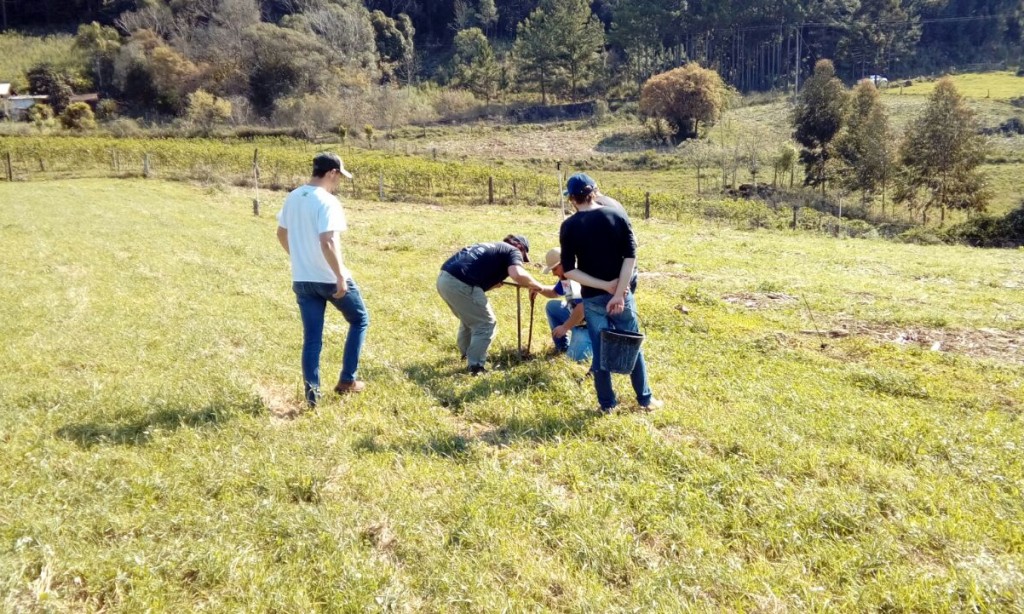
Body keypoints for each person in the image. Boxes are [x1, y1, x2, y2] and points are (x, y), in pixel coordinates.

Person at [559, 172, 663, 414]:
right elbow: (631, 256)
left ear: (572, 199)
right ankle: (645, 400)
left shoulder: (569, 226)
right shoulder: (616, 215)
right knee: (632, 343)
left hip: (593, 297)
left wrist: (603, 286)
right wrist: (618, 292)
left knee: (601, 348)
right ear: (595, 192)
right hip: (622, 294)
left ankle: (607, 405)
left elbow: (569, 271)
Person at [276, 152, 370, 407]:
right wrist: (340, 276)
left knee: (312, 338)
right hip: (328, 278)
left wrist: (299, 257)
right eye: (339, 176)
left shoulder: (293, 196)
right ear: (331, 173)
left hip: (302, 279)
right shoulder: (327, 201)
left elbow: (281, 233)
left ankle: (312, 398)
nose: (338, 181)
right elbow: (327, 241)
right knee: (360, 319)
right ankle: (347, 381)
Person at [437, 235, 546, 374]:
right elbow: (517, 273)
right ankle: (476, 367)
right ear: (520, 247)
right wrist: (535, 285)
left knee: (470, 320)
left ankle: (467, 354)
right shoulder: (513, 250)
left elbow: (473, 269)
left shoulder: (492, 247)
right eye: (523, 258)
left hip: (444, 279)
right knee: (485, 324)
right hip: (461, 283)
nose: (521, 260)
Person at [533, 247, 592, 362]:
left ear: (564, 263)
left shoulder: (576, 279)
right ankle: (562, 347)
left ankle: (592, 345)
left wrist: (565, 327)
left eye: (554, 269)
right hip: (577, 319)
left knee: (574, 359)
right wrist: (540, 289)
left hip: (588, 326)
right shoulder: (566, 277)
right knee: (552, 307)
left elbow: (582, 307)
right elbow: (555, 292)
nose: (554, 273)